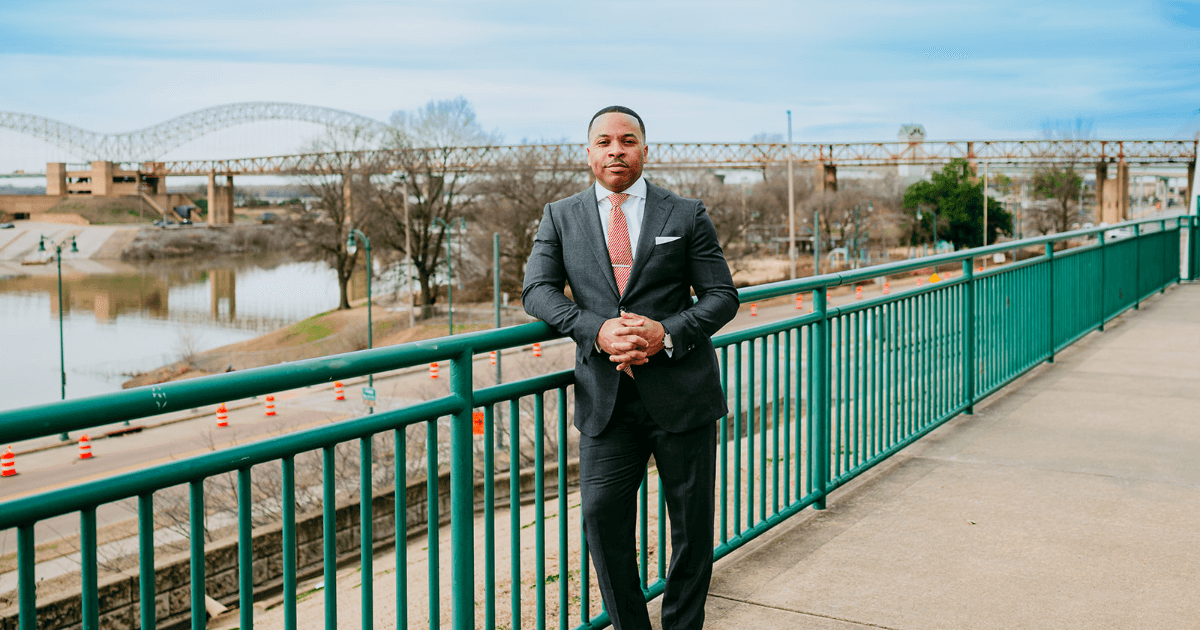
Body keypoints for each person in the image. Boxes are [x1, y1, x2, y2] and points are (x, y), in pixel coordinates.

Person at [522, 106, 738, 630]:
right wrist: (594, 328)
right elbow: (537, 290)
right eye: (604, 142)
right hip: (606, 400)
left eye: (627, 140)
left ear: (644, 148)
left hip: (683, 393)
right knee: (601, 520)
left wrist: (668, 332)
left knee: (691, 529)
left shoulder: (685, 213)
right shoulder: (560, 215)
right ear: (589, 153)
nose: (615, 150)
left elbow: (721, 295)